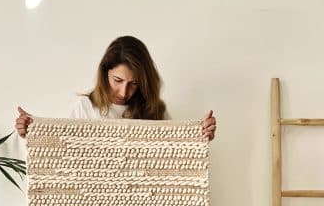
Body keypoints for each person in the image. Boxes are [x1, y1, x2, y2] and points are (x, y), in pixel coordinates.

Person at [15, 35, 217, 140]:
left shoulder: (154, 110)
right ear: (105, 73)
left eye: (134, 83)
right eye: (117, 80)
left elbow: (175, 156)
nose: (124, 92)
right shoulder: (86, 107)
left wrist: (200, 136)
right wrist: (32, 131)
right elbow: (65, 151)